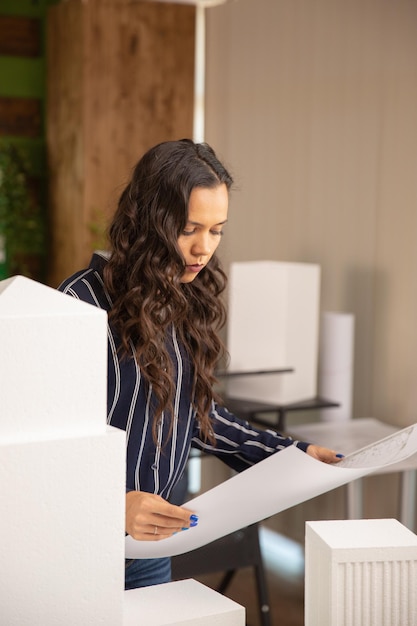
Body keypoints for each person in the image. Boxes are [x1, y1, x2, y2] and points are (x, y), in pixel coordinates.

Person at [58, 138, 342, 590]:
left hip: (155, 548)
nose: (203, 248)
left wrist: (293, 455)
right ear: (150, 220)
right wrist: (111, 502)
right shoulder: (78, 304)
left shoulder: (185, 297)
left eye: (216, 230)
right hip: (80, 547)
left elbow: (197, 415)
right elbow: (48, 444)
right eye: (189, 229)